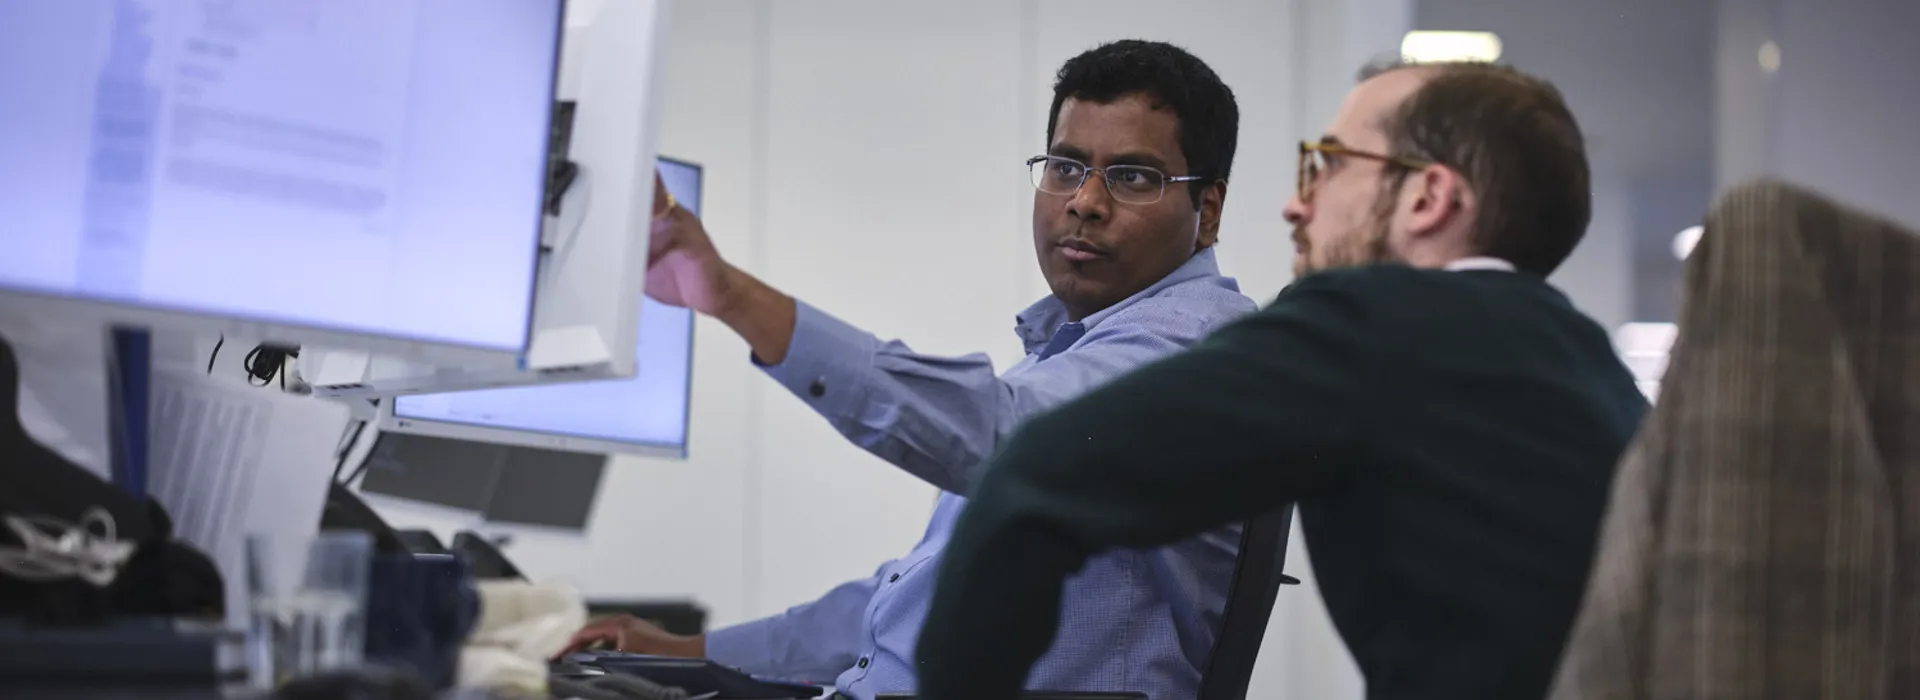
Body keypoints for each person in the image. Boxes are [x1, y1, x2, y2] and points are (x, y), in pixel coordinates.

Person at [913, 60, 1650, 700]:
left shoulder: (1374, 319)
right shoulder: (1589, 364)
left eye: (1328, 165)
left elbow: (1033, 473)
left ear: (1428, 200)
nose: (1297, 204)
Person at [566, 40, 1258, 700]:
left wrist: (730, 295)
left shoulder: (1190, 353)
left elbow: (1011, 439)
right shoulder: (1072, 350)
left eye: (1132, 177)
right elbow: (903, 607)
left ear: (1208, 212)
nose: (1084, 201)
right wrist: (689, 652)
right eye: (1066, 167)